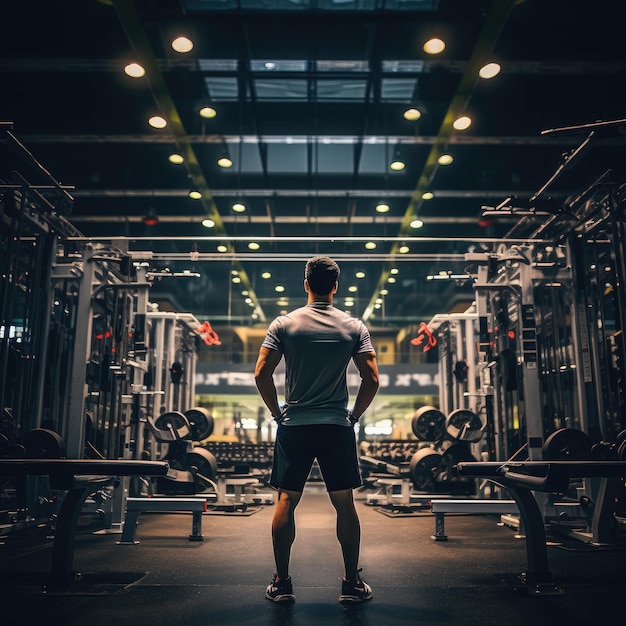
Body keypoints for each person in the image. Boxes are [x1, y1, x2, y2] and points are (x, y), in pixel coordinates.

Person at [254, 255, 380, 605]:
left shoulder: (284, 324)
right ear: (335, 286)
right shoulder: (354, 327)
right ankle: (351, 585)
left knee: (285, 500)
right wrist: (352, 417)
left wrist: (278, 414)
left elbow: (261, 373)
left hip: (294, 425)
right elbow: (371, 379)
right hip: (336, 426)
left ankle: (282, 584)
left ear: (306, 284)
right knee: (345, 504)